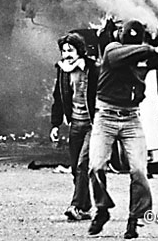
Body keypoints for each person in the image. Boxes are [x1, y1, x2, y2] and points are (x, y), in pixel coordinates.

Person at [88, 19, 158, 239]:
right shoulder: (112, 51)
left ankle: (135, 218)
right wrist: (152, 49)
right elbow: (141, 53)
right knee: (96, 165)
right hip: (105, 116)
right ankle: (102, 209)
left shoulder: (144, 55)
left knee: (139, 170)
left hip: (132, 117)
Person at [50, 32, 99, 221]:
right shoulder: (63, 70)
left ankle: (76, 206)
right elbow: (58, 98)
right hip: (75, 124)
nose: (67, 54)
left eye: (70, 50)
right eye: (64, 51)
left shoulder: (93, 68)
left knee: (82, 165)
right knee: (74, 168)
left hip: (93, 125)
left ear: (80, 50)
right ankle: (85, 207)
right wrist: (55, 124)